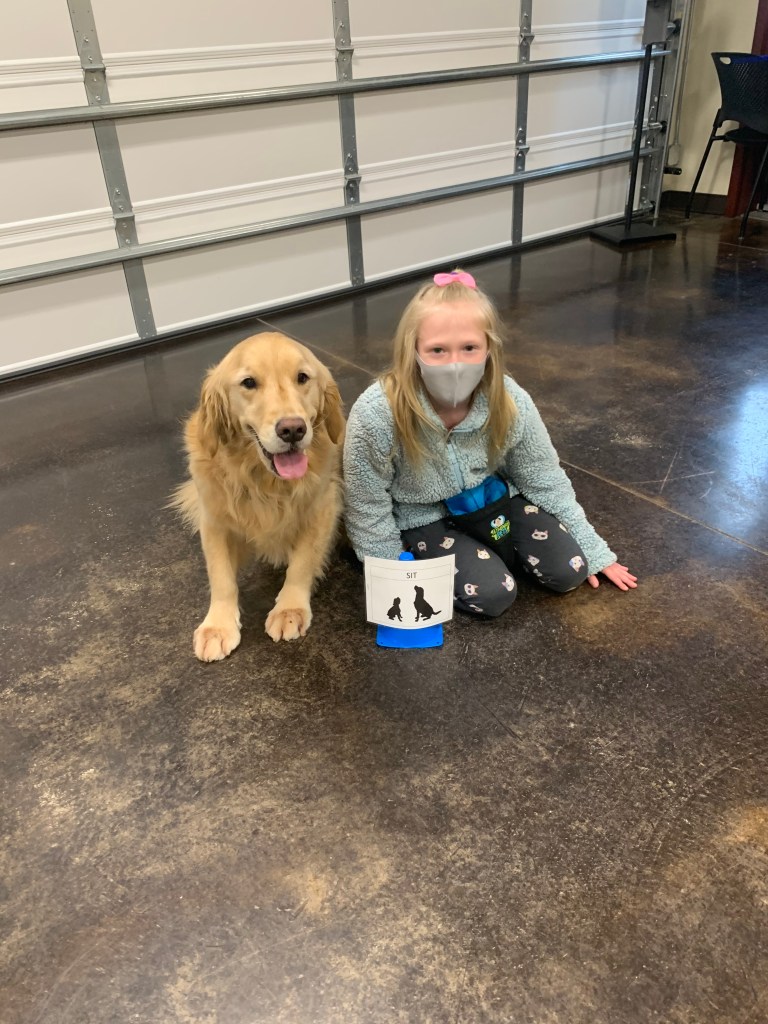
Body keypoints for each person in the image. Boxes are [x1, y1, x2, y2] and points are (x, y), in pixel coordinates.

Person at [343, 269, 637, 617]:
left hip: (492, 500)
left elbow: (544, 477)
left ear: (489, 348)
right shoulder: (378, 412)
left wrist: (595, 550)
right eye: (437, 350)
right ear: (413, 350)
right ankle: (480, 560)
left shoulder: (511, 401)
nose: (455, 364)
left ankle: (486, 554)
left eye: (469, 348)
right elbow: (365, 501)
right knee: (493, 595)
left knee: (571, 569)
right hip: (424, 518)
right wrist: (392, 574)